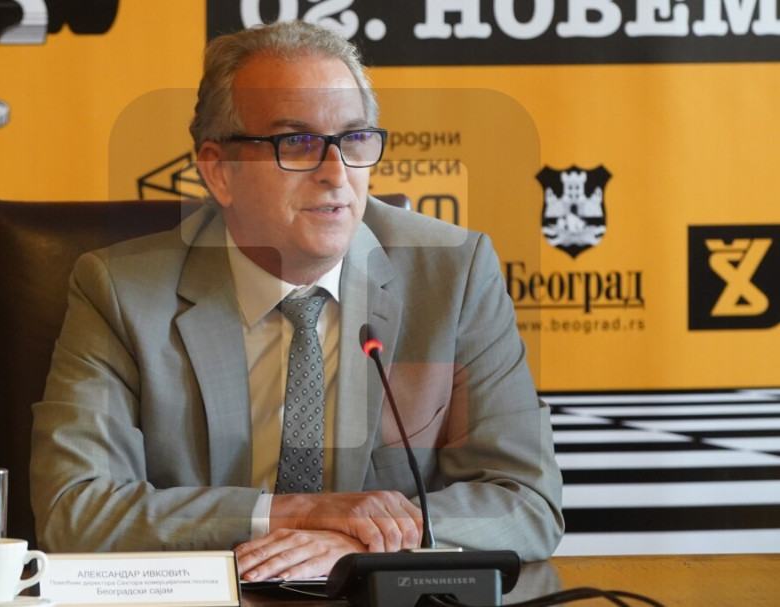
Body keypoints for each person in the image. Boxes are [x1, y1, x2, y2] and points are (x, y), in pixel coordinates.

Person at [30, 20, 563, 581]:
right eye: (298, 144)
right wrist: (292, 514)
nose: (336, 174)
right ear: (219, 170)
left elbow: (525, 499)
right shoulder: (120, 292)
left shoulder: (453, 274)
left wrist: (360, 542)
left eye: (354, 139)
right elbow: (75, 510)